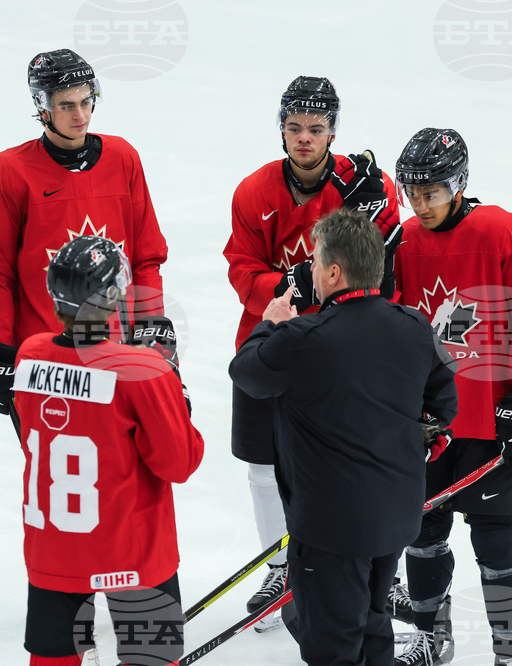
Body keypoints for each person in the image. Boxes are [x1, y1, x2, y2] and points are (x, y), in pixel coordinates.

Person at [228, 208, 458, 666]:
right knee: (373, 628)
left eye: (314, 261)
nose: (309, 268)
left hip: (331, 531)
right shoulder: (414, 327)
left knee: (331, 646)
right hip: (395, 517)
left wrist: (270, 322)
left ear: (334, 272)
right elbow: (443, 406)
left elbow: (247, 373)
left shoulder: (301, 337)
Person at [222, 75, 402, 627]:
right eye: (294, 127)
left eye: (316, 128)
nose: (305, 138)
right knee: (262, 463)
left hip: (340, 347)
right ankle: (280, 565)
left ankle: (372, 568)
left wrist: (381, 223)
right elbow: (242, 270)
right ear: (280, 129)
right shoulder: (254, 192)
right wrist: (298, 285)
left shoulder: (366, 189)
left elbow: (384, 275)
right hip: (272, 344)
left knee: (345, 463)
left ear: (332, 132)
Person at [390, 129, 512, 666]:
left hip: (489, 418)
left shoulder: (503, 232)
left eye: (431, 192)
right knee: (421, 531)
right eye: (411, 193)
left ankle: (511, 651)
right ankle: (430, 638)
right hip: (429, 422)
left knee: (495, 537)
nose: (420, 204)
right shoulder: (406, 239)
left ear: (458, 184)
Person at [12, 235, 203, 666]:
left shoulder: (29, 355)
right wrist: (171, 383)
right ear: (114, 294)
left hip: (55, 549)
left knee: (53, 658)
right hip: (132, 551)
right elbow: (179, 462)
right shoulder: (144, 371)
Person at [0, 49, 170, 420]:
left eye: (86, 101)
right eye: (66, 105)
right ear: (42, 108)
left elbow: (146, 258)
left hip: (117, 352)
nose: (80, 115)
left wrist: (151, 323)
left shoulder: (123, 158)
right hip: (44, 360)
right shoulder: (10, 171)